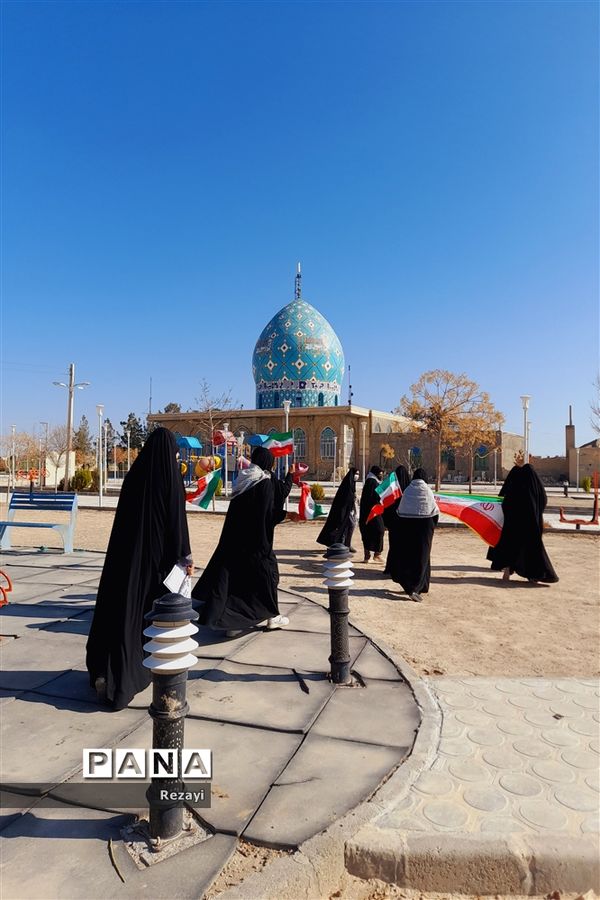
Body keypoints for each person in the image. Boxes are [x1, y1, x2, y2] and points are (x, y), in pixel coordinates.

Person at [86, 428, 193, 710]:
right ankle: (124, 679)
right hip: (154, 564)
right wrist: (184, 556)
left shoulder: (134, 476)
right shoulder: (170, 477)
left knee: (120, 613)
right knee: (142, 619)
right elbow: (176, 522)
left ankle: (105, 672)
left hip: (124, 562)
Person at [192, 446, 292, 634]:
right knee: (268, 577)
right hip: (257, 544)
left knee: (238, 582)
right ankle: (272, 617)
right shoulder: (264, 483)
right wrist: (287, 515)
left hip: (236, 542)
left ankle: (231, 622)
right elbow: (266, 515)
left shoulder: (244, 480)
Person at [487, 463, 559, 584]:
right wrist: (537, 513)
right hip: (531, 524)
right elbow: (543, 500)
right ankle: (533, 575)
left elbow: (505, 501)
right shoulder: (535, 487)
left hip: (512, 523)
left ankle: (508, 569)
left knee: (510, 545)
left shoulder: (514, 486)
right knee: (531, 548)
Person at [388, 468, 439, 602]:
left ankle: (416, 585)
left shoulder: (408, 491)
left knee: (410, 555)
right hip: (425, 528)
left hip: (408, 527)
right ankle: (415, 587)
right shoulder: (427, 491)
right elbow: (435, 512)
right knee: (423, 556)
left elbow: (400, 512)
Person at [316, 465, 359, 552]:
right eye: (356, 474)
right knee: (344, 527)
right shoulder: (346, 485)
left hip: (347, 511)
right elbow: (343, 500)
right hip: (341, 512)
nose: (357, 476)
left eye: (358, 474)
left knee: (350, 526)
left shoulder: (351, 483)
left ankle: (346, 544)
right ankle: (340, 544)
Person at [383, 464, 411, 574]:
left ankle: (391, 568)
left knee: (393, 547)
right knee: (404, 547)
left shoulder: (392, 489)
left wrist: (387, 522)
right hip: (405, 523)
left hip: (393, 523)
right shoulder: (409, 490)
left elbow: (386, 506)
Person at [359, 465, 384, 562]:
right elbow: (375, 497)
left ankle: (371, 555)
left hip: (370, 511)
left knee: (369, 532)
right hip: (372, 511)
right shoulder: (372, 482)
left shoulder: (372, 481)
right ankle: (374, 554)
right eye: (380, 474)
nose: (381, 476)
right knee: (378, 530)